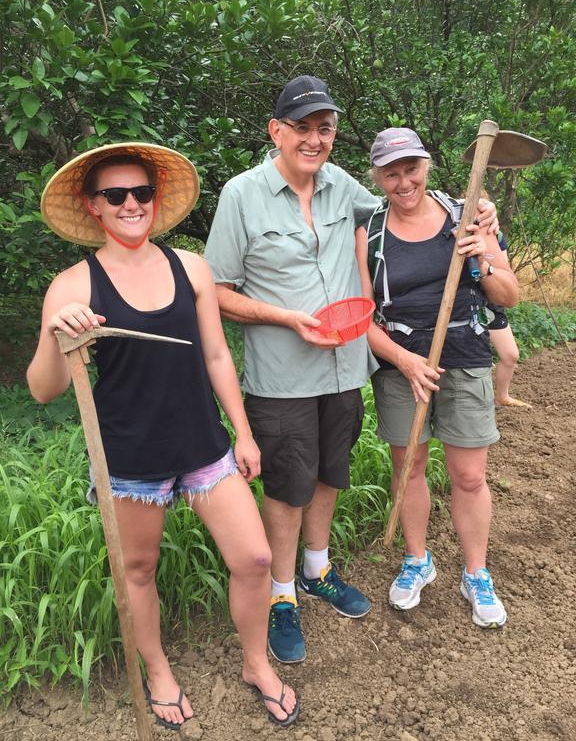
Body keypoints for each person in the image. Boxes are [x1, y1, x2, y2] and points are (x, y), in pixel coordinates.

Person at [204, 77, 499, 660]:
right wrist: (286, 318)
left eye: (325, 129)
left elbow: (408, 203)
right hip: (282, 375)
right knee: (287, 487)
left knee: (328, 475)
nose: (314, 140)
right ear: (277, 132)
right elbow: (216, 291)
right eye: (303, 128)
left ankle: (318, 569)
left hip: (345, 371)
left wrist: (473, 207)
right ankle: (281, 596)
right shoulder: (243, 195)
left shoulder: (343, 188)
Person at [26, 143, 298, 729]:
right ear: (92, 206)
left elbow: (219, 355)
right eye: (115, 195)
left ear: (155, 199)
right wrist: (57, 335)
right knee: (139, 570)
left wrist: (243, 435)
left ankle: (255, 661)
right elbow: (42, 389)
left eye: (141, 193)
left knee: (254, 558)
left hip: (204, 446)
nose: (131, 204)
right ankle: (158, 670)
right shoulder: (72, 285)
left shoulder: (191, 267)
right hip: (130, 458)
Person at [354, 127, 519, 629]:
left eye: (411, 169)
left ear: (427, 165)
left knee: (469, 475)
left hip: (465, 354)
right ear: (379, 177)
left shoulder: (470, 215)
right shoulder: (370, 232)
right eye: (391, 172)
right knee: (411, 466)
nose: (404, 181)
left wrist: (480, 257)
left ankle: (476, 573)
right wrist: (404, 361)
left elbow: (508, 296)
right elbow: (362, 315)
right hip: (401, 364)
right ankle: (417, 561)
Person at [487, 234, 532, 408]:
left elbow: (503, 270)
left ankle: (502, 397)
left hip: (490, 302)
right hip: (462, 303)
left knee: (510, 355)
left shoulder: (496, 236)